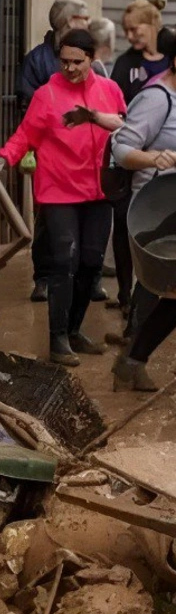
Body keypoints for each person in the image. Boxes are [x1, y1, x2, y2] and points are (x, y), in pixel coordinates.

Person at [0, 29, 126, 366]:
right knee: (64, 261)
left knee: (91, 262)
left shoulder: (109, 90)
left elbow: (127, 127)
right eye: (63, 61)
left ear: (91, 59)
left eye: (76, 62)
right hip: (58, 190)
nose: (68, 68)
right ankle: (57, 339)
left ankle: (74, 329)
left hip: (98, 189)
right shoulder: (46, 94)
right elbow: (25, 134)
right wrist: (4, 158)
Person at [106, 0, 176, 328]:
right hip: (145, 184)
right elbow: (122, 129)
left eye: (137, 29)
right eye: (127, 30)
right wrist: (150, 155)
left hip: (167, 189)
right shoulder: (137, 75)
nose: (132, 35)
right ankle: (130, 312)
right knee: (139, 248)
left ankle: (135, 342)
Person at [110, 52, 176, 391]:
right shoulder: (156, 99)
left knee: (168, 292)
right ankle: (132, 358)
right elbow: (120, 148)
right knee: (156, 287)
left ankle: (132, 359)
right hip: (156, 210)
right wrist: (154, 158)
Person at [17, 0, 90, 303]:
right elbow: (27, 99)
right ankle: (43, 278)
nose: (85, 24)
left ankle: (84, 277)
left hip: (83, 152)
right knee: (48, 218)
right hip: (50, 152)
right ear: (62, 23)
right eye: (79, 19)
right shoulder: (37, 60)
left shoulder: (87, 56)